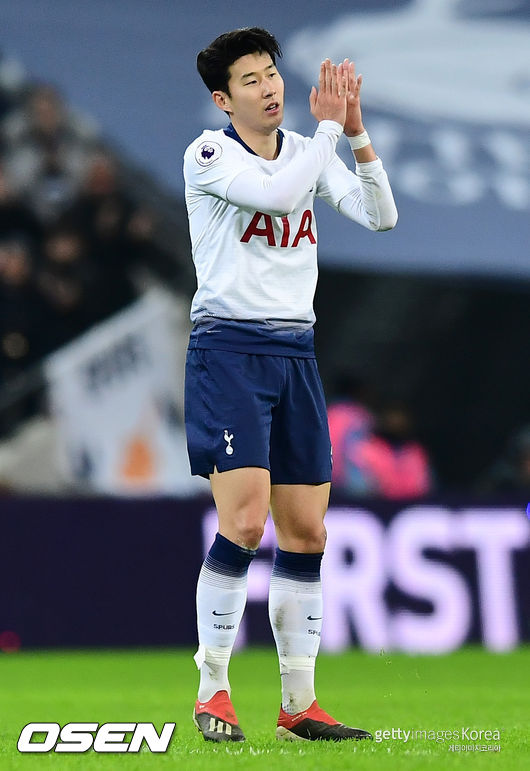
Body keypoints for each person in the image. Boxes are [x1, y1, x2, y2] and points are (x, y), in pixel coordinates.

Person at [183, 27, 397, 743]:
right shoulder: (209, 154)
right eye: (250, 80)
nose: (269, 87)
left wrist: (355, 134)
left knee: (307, 531)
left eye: (271, 73)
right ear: (224, 100)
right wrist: (329, 131)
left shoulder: (309, 150)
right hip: (230, 351)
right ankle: (213, 689)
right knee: (245, 524)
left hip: (296, 353)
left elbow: (381, 216)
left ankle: (298, 705)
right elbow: (277, 199)